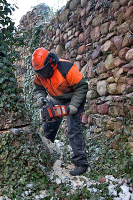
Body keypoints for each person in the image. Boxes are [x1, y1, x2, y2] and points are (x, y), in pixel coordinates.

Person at [31, 47, 89, 176]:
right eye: (39, 72)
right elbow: (38, 87)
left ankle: (81, 163)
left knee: (73, 129)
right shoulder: (40, 74)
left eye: (43, 71)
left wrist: (73, 106)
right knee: (48, 126)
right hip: (56, 98)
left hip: (74, 97)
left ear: (50, 62)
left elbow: (82, 86)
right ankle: (47, 156)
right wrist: (41, 97)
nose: (42, 74)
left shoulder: (66, 68)